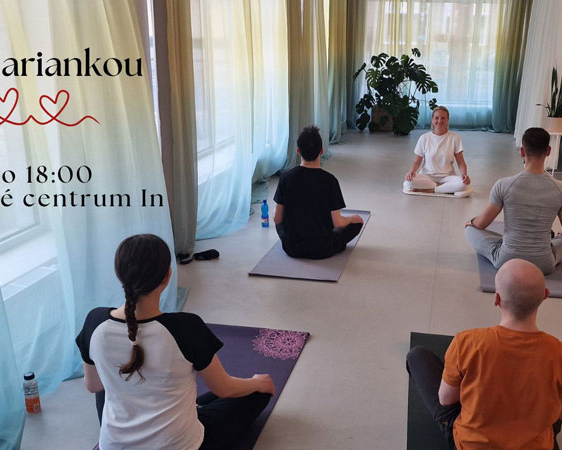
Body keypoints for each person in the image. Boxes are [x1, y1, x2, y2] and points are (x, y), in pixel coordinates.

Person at [76, 234, 275, 450]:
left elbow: (93, 385)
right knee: (256, 393)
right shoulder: (186, 328)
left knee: (108, 381)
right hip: (182, 445)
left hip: (114, 446)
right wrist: (257, 383)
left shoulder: (95, 321)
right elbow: (225, 388)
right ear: (167, 276)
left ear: (119, 275)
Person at [406, 259, 562, 450]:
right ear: (545, 296)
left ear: (497, 299)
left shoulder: (467, 342)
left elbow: (446, 399)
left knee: (416, 356)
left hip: (471, 445)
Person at [464, 127, 562, 275]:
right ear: (548, 151)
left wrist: (472, 222)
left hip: (506, 259)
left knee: (470, 230)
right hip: (544, 263)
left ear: (522, 151)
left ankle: (507, 242)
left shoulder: (503, 185)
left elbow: (482, 224)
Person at [273, 125, 364, 259]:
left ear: (298, 151)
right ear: (321, 151)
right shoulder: (330, 181)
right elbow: (338, 223)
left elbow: (277, 219)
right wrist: (352, 218)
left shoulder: (285, 178)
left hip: (292, 248)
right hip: (322, 248)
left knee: (279, 221)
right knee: (357, 223)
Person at [403, 106, 471, 195]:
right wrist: (411, 172)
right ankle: (442, 188)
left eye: (443, 118)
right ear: (432, 120)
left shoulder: (455, 138)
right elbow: (417, 161)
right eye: (436, 118)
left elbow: (461, 162)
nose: (439, 121)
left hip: (447, 177)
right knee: (407, 183)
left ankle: (430, 190)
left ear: (447, 120)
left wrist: (464, 175)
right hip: (427, 176)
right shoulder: (424, 138)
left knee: (463, 184)